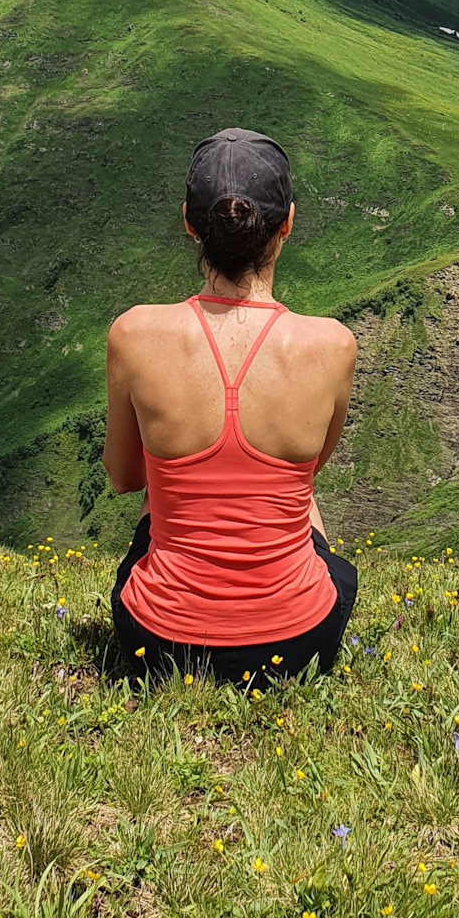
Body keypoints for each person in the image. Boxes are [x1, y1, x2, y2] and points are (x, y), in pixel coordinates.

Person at [103, 128, 359, 684]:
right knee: (302, 506)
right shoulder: (334, 346)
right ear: (286, 223)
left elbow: (124, 478)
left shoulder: (133, 335)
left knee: (159, 499)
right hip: (297, 644)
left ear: (190, 223)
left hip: (160, 644)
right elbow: (309, 474)